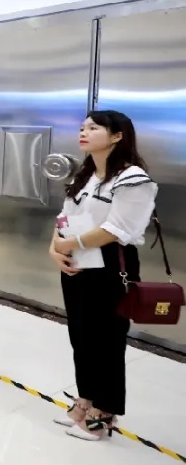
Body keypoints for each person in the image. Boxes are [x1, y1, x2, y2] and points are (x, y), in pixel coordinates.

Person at [49, 110, 156, 441]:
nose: (84, 132)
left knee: (107, 340)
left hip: (112, 264)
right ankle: (85, 400)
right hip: (77, 260)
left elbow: (117, 229)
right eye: (82, 127)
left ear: (117, 136)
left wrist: (69, 243)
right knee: (81, 336)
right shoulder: (86, 174)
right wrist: (55, 248)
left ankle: (105, 412)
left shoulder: (133, 178)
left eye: (93, 128)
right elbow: (64, 216)